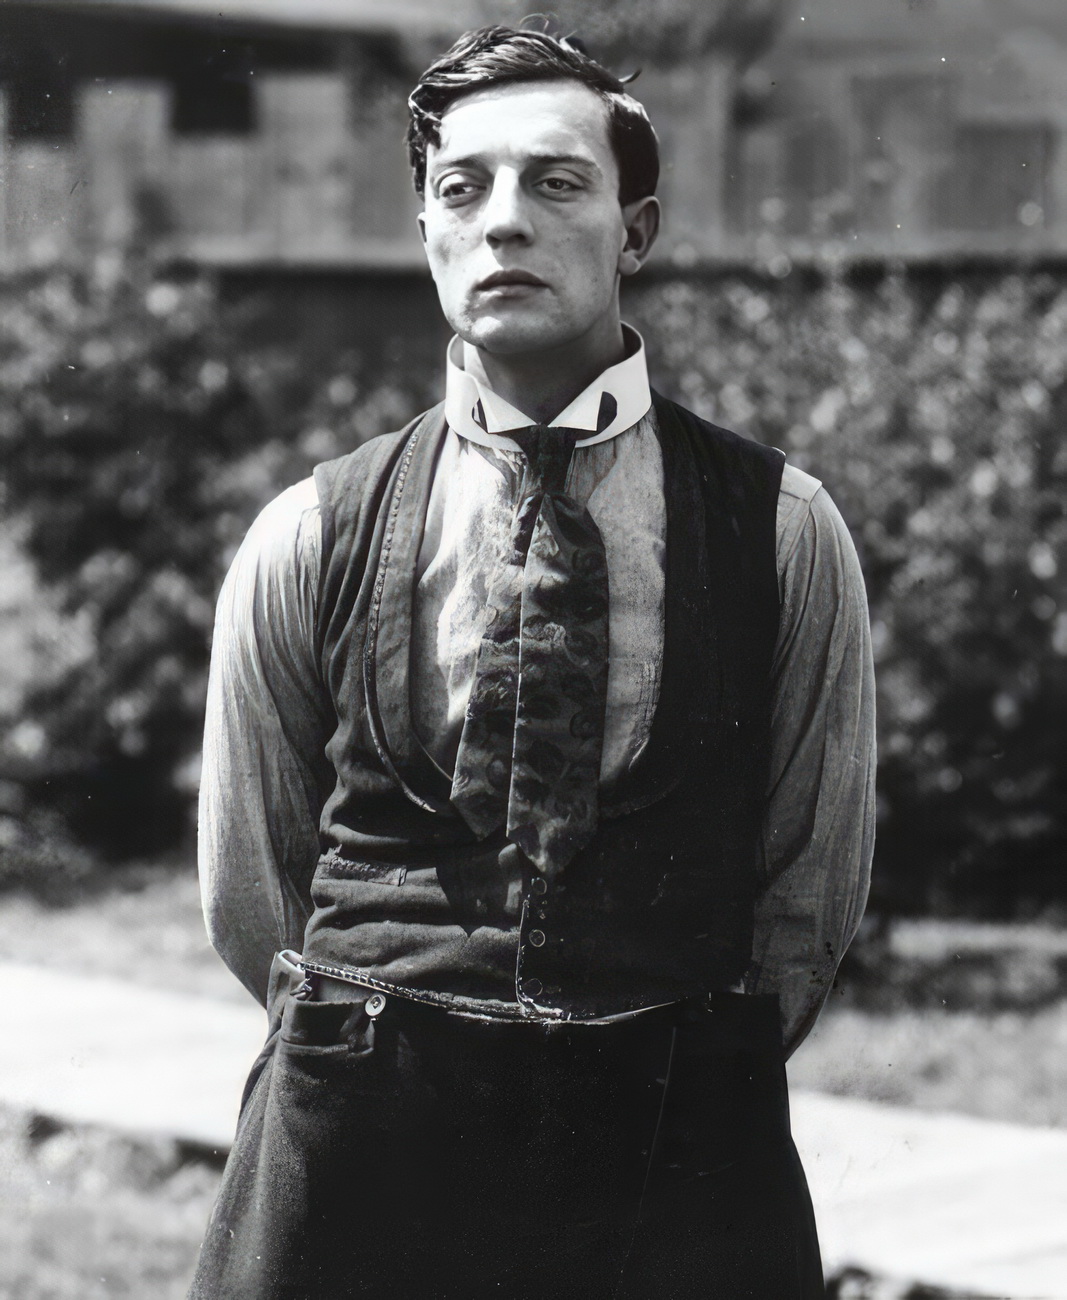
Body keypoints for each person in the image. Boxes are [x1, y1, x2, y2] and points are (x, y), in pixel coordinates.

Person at [190, 24, 875, 1300]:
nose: (503, 220)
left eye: (556, 182)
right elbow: (253, 894)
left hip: (668, 1160)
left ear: (634, 231)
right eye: (462, 188)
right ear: (426, 233)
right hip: (362, 1157)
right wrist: (376, 1034)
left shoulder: (780, 529)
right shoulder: (311, 531)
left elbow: (807, 890)